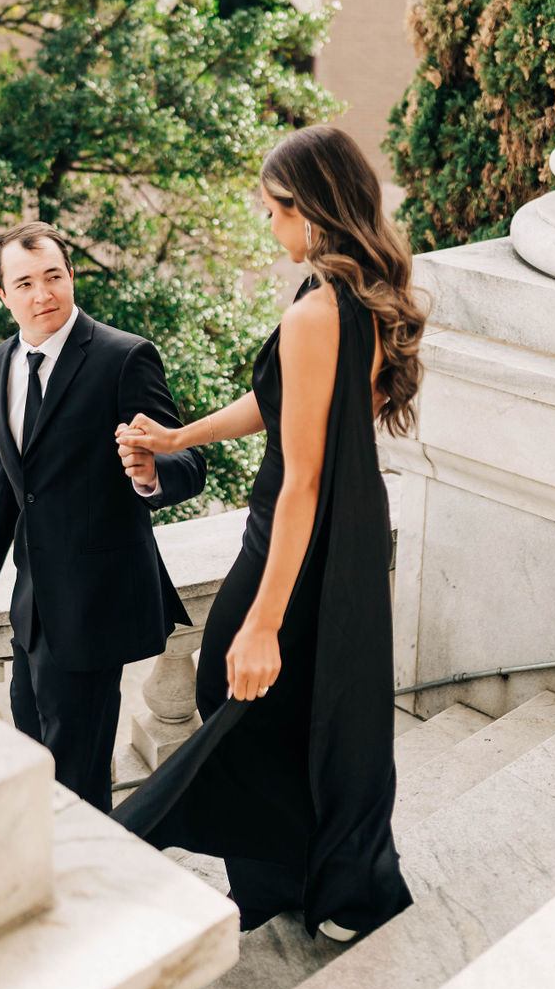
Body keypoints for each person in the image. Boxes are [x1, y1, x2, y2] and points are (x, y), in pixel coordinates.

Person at [112, 125, 427, 940]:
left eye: (273, 211)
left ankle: (304, 871)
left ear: (311, 211)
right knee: (315, 701)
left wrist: (262, 618)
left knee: (232, 678)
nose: (268, 225)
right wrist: (182, 438)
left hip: (303, 525)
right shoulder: (344, 295)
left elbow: (303, 475)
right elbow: (285, 403)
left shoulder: (318, 310)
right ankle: (311, 872)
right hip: (347, 529)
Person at [0, 222, 205, 812]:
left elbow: (188, 457)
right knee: (35, 759)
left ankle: (91, 887)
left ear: (72, 276)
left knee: (78, 781)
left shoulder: (123, 356)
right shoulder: (2, 360)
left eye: (54, 276)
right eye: (25, 283)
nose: (43, 295)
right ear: (2, 295)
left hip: (94, 607)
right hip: (31, 609)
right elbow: (7, 480)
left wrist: (149, 473)